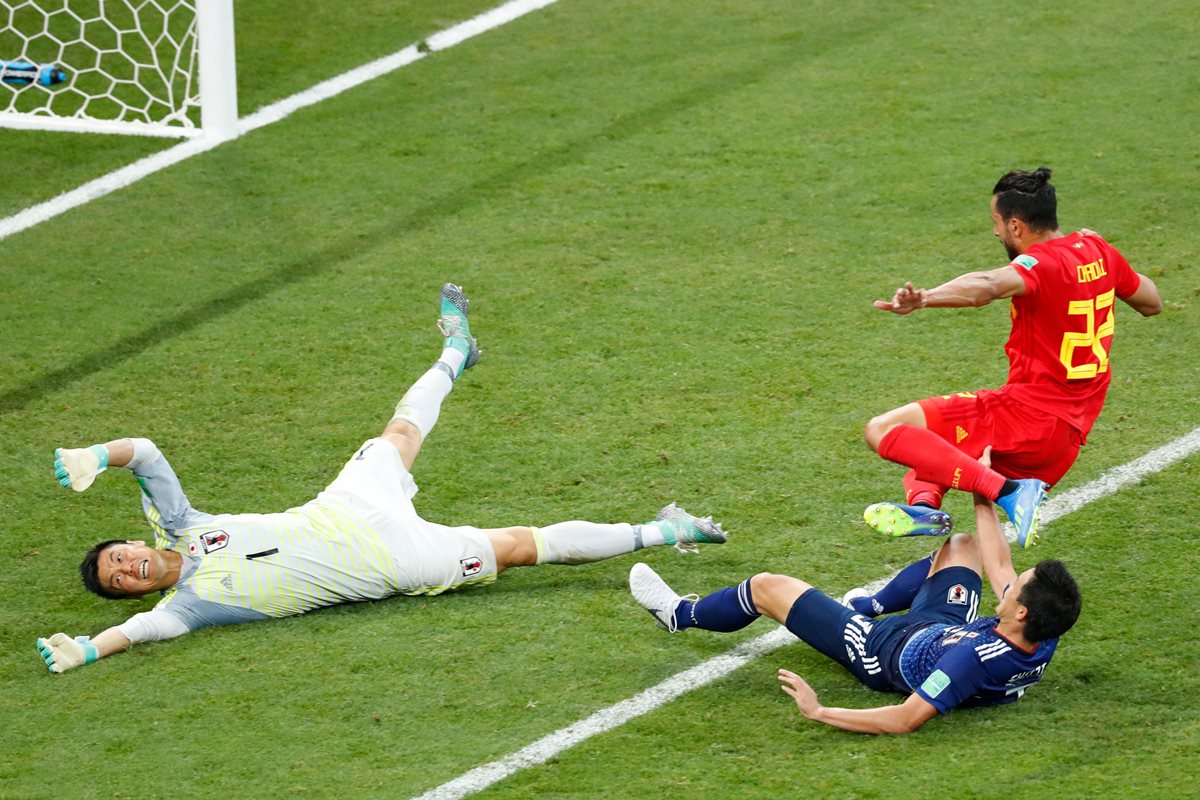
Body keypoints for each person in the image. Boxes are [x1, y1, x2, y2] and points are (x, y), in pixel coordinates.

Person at [35, 284, 728, 674]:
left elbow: (148, 453)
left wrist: (99, 454)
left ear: (130, 542)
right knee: (523, 546)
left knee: (400, 431)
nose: (126, 568)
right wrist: (89, 648)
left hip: (347, 506)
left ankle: (457, 349)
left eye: (117, 556)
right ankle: (668, 529)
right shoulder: (184, 607)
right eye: (118, 579)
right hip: (394, 563)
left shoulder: (179, 526)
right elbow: (145, 633)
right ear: (130, 591)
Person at [628, 449, 1081, 734]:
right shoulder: (1043, 627)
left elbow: (905, 719)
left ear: (1019, 613)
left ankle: (679, 614)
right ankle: (868, 602)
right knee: (964, 545)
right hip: (943, 629)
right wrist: (985, 485)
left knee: (767, 587)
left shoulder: (970, 661)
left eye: (1016, 588)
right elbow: (997, 558)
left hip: (883, 650)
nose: (1009, 580)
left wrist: (819, 711)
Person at [862, 167, 1162, 549]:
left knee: (883, 430)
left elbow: (986, 286)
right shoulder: (1099, 250)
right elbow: (1151, 302)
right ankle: (924, 506)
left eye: (997, 222)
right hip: (1064, 442)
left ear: (1016, 226)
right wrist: (1109, 264)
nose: (995, 232)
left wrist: (926, 298)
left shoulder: (1039, 266)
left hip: (1026, 418)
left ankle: (1010, 492)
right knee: (940, 450)